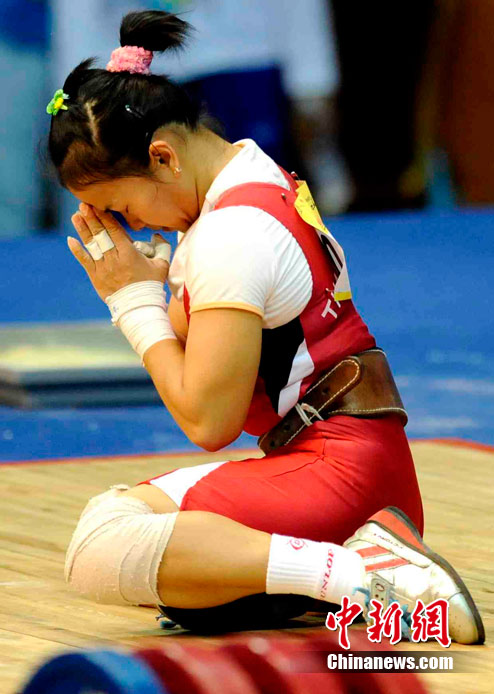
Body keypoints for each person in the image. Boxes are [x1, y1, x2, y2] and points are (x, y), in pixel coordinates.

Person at [49, 11, 484, 642]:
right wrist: (157, 289)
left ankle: (361, 575)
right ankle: (333, 572)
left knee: (103, 541)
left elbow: (209, 422)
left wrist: (132, 303)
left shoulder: (230, 235)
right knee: (187, 576)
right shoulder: (250, 174)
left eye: (122, 206)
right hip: (357, 466)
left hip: (339, 474)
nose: (133, 225)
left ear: (163, 157)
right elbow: (210, 352)